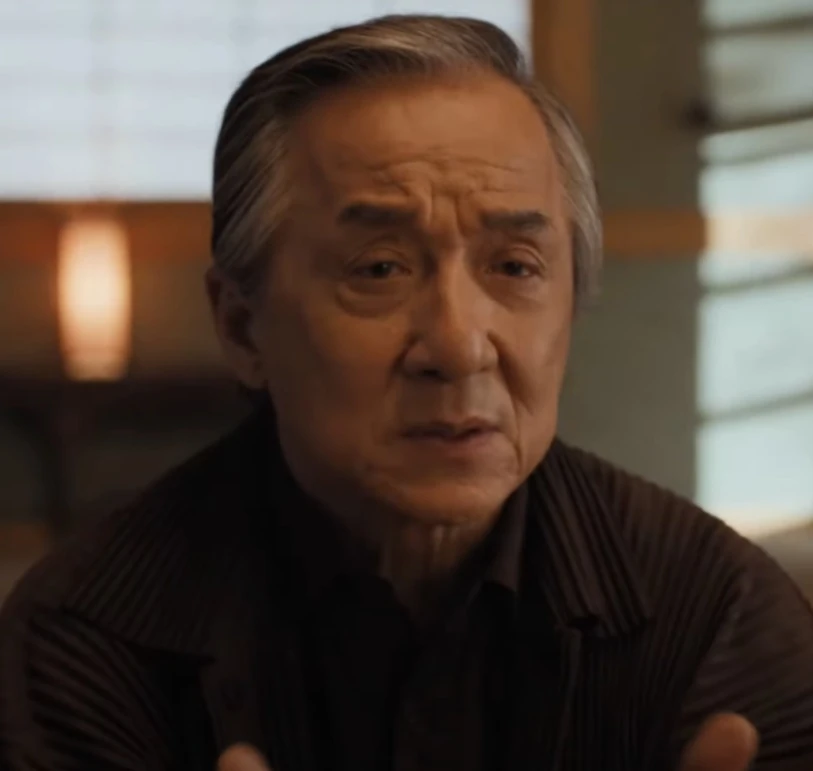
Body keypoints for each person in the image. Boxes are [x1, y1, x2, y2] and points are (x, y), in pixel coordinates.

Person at [1, 13, 812, 771]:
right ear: (243, 328)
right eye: (379, 268)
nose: (458, 347)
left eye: (515, 266)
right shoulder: (87, 637)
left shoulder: (715, 614)